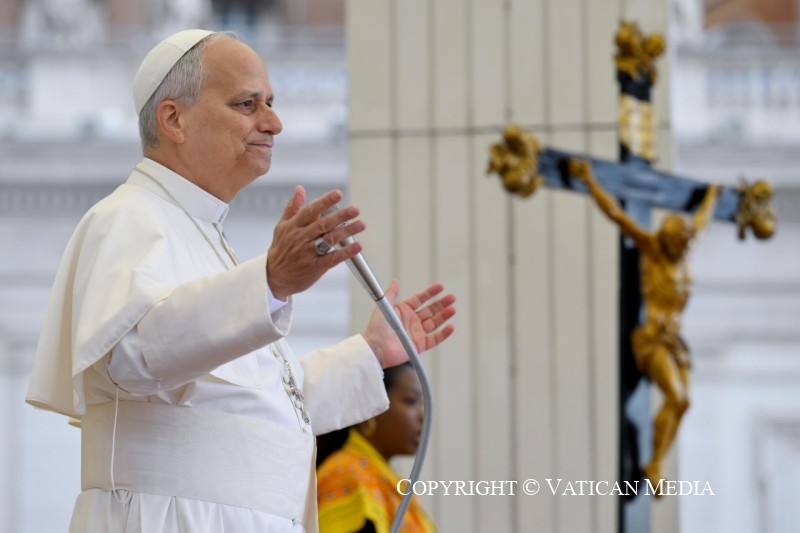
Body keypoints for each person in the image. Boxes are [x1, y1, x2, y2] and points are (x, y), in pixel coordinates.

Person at [25, 29, 456, 532]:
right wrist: (270, 280)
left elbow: (262, 411)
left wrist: (370, 354)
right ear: (173, 118)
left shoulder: (207, 238)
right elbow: (126, 354)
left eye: (270, 104)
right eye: (247, 104)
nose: (273, 122)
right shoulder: (128, 217)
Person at [569, 158, 719, 492]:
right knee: (677, 398)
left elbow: (702, 222)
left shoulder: (682, 255)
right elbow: (617, 215)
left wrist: (711, 197)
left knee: (683, 403)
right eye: (679, 243)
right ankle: (654, 464)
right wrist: (590, 180)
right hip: (651, 338)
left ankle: (655, 462)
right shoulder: (652, 249)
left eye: (685, 243)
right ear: (666, 240)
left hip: (675, 341)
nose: (684, 247)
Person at [316, 363, 435, 533]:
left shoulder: (388, 482)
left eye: (422, 404)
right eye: (410, 401)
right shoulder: (347, 474)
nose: (423, 415)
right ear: (371, 406)